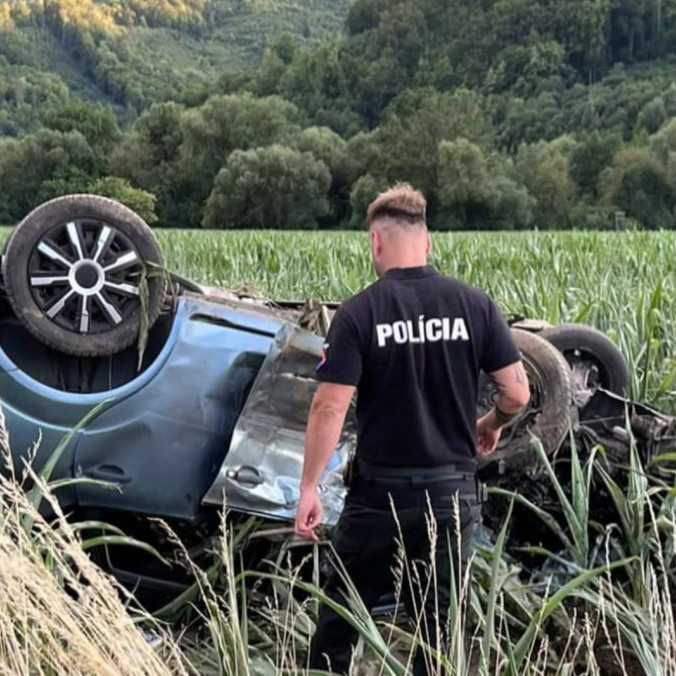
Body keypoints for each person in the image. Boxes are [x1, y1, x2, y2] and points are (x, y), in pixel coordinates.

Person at [294, 183, 530, 675]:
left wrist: (310, 486)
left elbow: (329, 408)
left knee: (340, 621)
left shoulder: (360, 312)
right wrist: (491, 424)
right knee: (439, 634)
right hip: (451, 495)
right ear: (428, 241)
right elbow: (518, 393)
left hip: (377, 497)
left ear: (376, 243)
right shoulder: (475, 304)